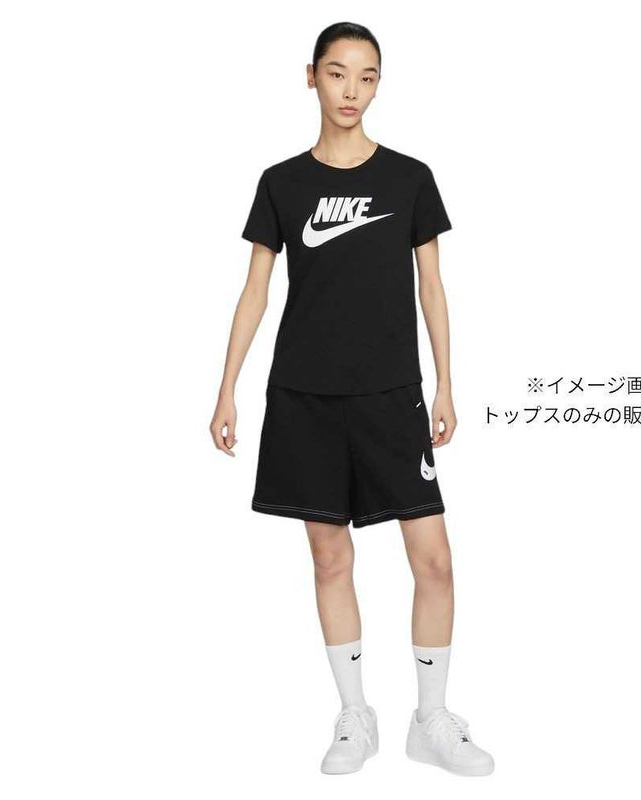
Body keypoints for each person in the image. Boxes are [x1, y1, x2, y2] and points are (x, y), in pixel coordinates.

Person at [210, 21, 494, 777]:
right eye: (337, 73)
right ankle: (354, 716)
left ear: (378, 85)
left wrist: (446, 382)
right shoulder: (281, 183)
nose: (351, 91)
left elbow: (432, 285)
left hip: (392, 395)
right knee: (331, 558)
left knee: (434, 560)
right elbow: (255, 290)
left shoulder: (410, 178)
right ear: (311, 76)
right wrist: (226, 388)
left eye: (366, 77)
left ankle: (430, 719)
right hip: (305, 395)